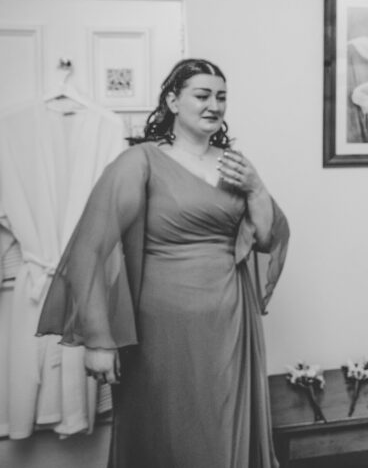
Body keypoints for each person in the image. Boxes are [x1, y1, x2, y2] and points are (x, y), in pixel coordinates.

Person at [36, 58, 290, 468]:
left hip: (231, 322)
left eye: (221, 97)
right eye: (202, 95)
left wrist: (256, 187)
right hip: (162, 328)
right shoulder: (140, 162)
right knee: (169, 431)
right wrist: (99, 341)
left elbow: (267, 238)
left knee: (224, 427)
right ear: (172, 100)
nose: (214, 105)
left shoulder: (233, 164)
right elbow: (90, 249)